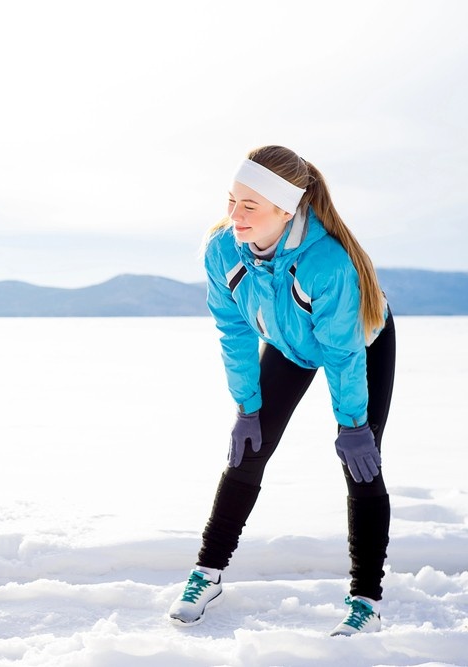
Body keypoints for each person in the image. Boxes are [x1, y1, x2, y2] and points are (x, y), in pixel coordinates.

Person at [167, 145, 396, 636]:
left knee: (362, 460)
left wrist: (354, 425)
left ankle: (366, 602)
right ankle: (206, 573)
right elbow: (233, 329)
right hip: (290, 345)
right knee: (248, 447)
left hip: (359, 341)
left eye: (249, 206)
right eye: (231, 200)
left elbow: (341, 354)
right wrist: (247, 406)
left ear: (285, 209)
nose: (234, 216)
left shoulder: (328, 265)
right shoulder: (222, 249)